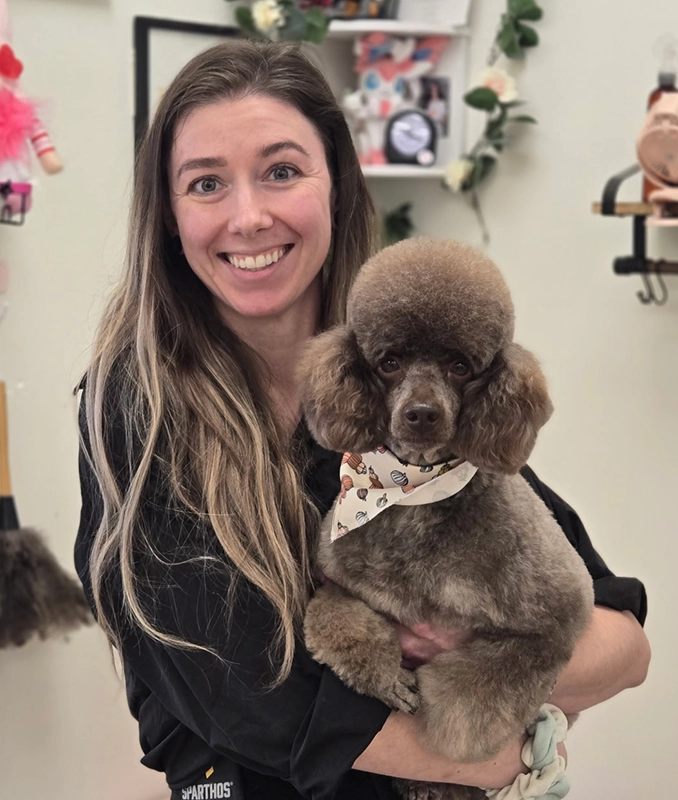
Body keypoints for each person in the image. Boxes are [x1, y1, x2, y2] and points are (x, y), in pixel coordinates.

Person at [74, 39, 650, 800]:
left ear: (337, 186)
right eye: (206, 183)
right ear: (170, 215)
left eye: (281, 171)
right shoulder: (137, 413)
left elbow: (623, 641)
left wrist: (474, 650)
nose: (248, 217)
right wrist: (494, 758)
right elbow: (255, 705)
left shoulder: (418, 391)